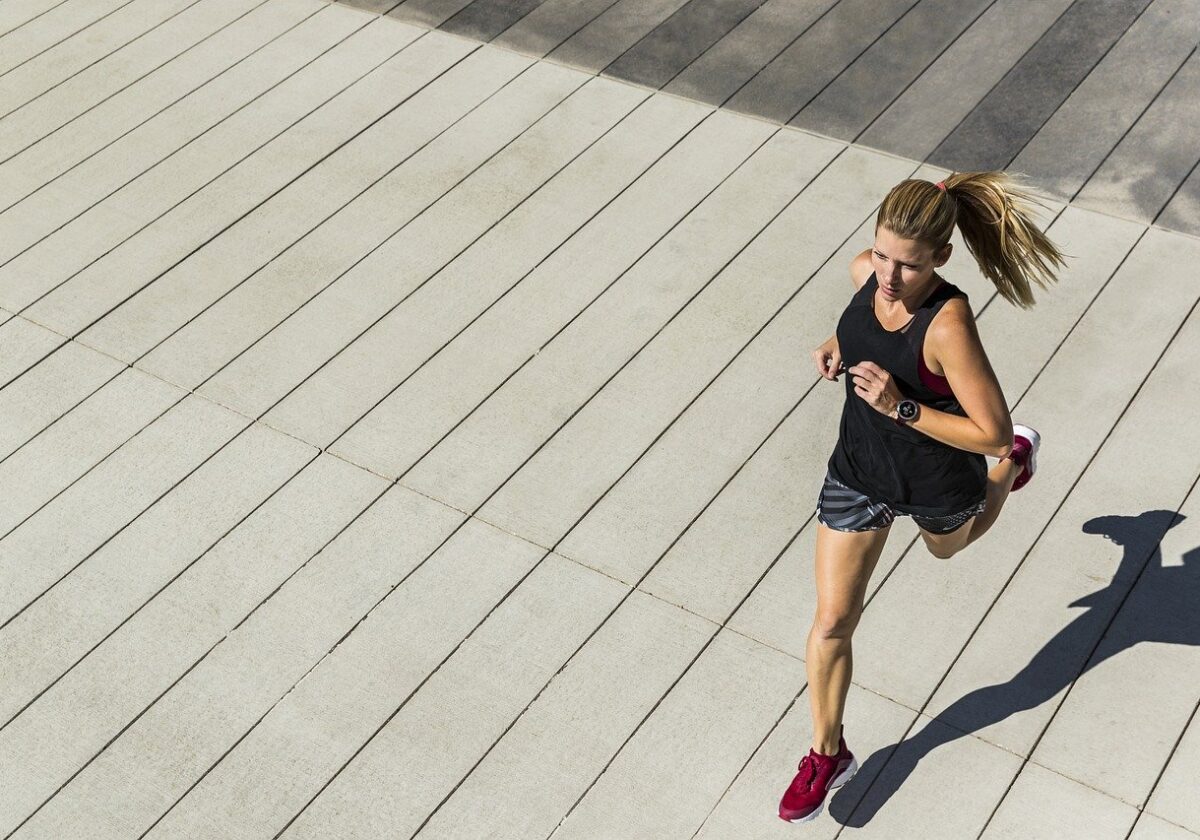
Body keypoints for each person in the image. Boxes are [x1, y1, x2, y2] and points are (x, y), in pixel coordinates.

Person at [778, 172, 1068, 824]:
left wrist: (901, 405)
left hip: (937, 477)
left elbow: (988, 428)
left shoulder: (948, 324)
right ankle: (827, 751)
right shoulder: (867, 274)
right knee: (831, 622)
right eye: (882, 254)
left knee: (949, 548)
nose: (887, 275)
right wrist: (836, 343)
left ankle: (1015, 469)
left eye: (907, 265)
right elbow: (861, 318)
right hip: (858, 471)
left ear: (939, 259)